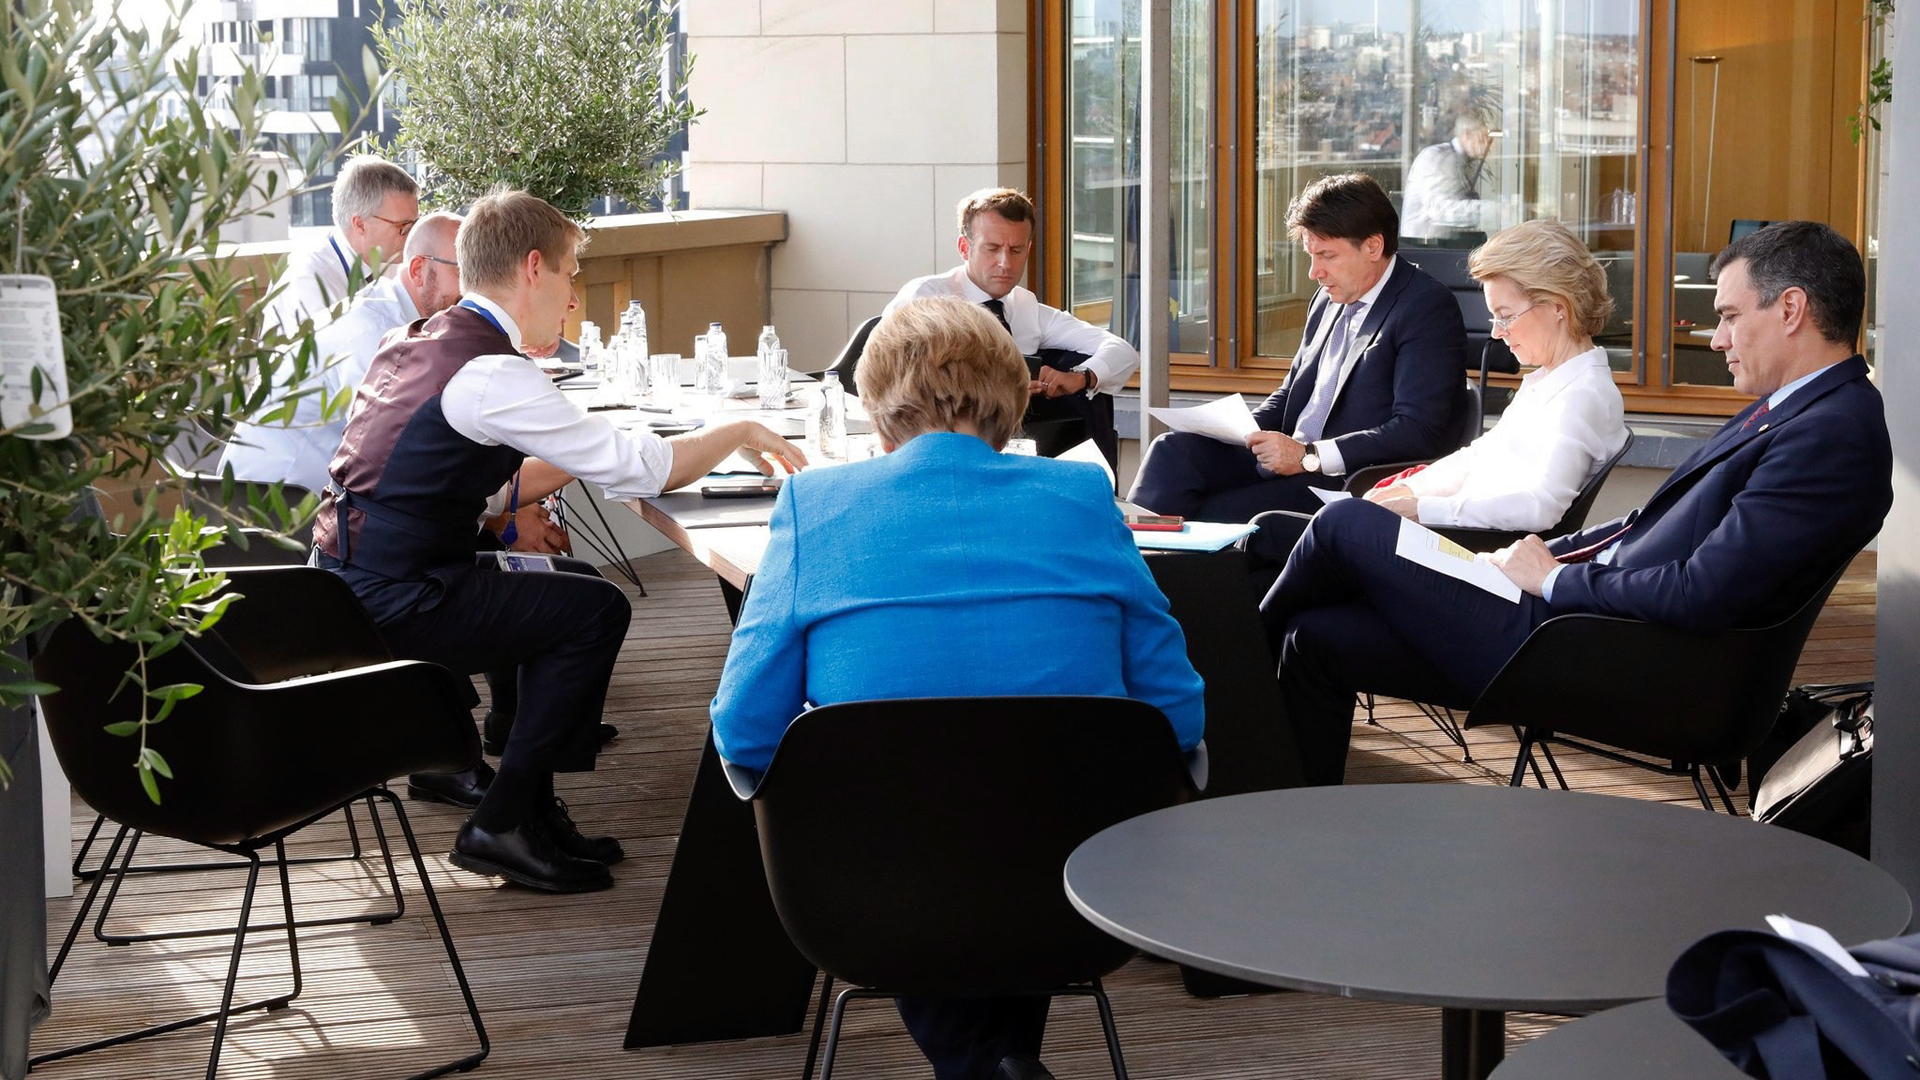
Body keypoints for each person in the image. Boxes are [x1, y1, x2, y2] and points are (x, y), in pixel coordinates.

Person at [710, 297, 1204, 1080]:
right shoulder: (1080, 498)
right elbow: (1178, 712)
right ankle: (1004, 1062)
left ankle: (988, 1067)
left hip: (869, 895)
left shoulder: (816, 505)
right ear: (1010, 402)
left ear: (878, 409)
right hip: (1076, 883)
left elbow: (744, 731)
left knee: (927, 832)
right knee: (1017, 825)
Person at [1260, 220, 1892, 787]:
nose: (1716, 337)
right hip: (1584, 630)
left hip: (1607, 656)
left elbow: (1704, 591)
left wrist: (1557, 581)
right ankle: (1277, 808)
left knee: (1345, 524)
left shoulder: (1829, 433)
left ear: (1790, 309)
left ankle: (1230, 675)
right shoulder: (1797, 410)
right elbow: (1646, 528)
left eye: (1728, 316)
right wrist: (1533, 560)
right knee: (1316, 637)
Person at [314, 189, 806, 894]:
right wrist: (739, 431)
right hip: (396, 598)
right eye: (573, 275)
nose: (573, 299)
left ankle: (532, 808)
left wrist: (537, 486)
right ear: (534, 268)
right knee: (595, 611)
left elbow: (458, 481)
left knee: (569, 583)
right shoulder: (491, 371)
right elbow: (643, 468)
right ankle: (503, 819)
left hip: (344, 582)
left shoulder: (420, 339)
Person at [1128, 173, 1468, 522]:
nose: (1314, 272)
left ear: (1373, 247)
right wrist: (1242, 430)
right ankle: (1122, 561)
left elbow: (1418, 431)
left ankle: (1150, 567)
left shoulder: (1425, 306)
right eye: (1310, 255)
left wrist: (1310, 455)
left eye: (1327, 256)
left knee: (1206, 515)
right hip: (1290, 459)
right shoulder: (1328, 298)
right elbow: (1293, 392)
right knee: (1173, 450)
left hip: (1343, 480)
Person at [1365, 219, 1626, 528]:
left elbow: (1540, 507)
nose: (1496, 332)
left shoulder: (1582, 396)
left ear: (1559, 307)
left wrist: (1422, 508)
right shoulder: (1553, 381)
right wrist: (1409, 490)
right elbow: (1479, 456)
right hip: (1462, 541)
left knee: (1330, 531)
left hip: (1477, 555)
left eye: (1505, 316)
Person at [886, 188, 1137, 467]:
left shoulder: (1026, 307)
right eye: (992, 249)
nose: (1005, 263)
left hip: (1014, 446)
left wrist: (1082, 377)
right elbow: (911, 383)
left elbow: (1121, 350)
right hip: (932, 446)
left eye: (1016, 250)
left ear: (1028, 249)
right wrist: (1008, 385)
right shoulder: (928, 297)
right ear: (964, 248)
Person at [221, 212, 464, 495]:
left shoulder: (397, 314)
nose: (472, 288)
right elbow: (394, 453)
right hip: (273, 506)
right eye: (462, 271)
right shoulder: (373, 331)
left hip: (306, 499)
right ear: (418, 270)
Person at [264, 155, 420, 333]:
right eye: (403, 226)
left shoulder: (389, 259)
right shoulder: (309, 282)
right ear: (360, 224)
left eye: (417, 222)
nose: (413, 234)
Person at [1401, 116, 1495, 244]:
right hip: (1425, 248)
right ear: (1467, 134)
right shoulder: (1439, 158)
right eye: (1483, 137)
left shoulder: (1460, 160)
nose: (1487, 145)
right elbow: (1441, 210)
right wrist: (1496, 210)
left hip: (1438, 244)